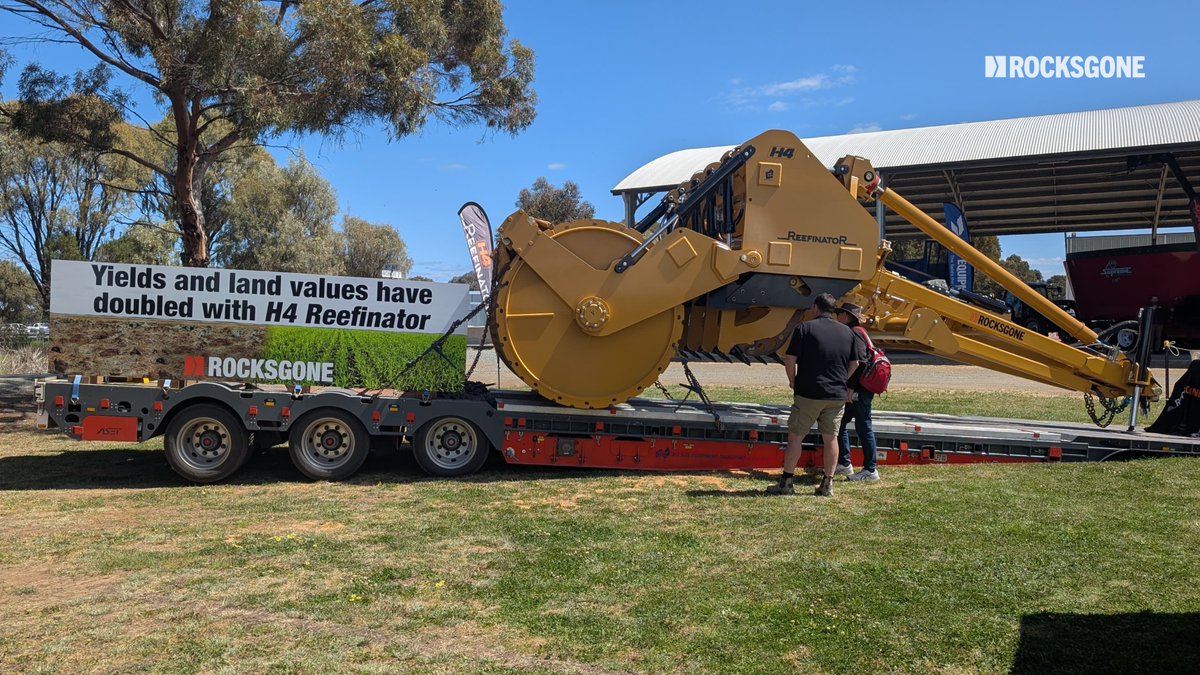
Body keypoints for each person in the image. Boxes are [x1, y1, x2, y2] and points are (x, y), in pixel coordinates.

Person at [767, 292, 860, 497]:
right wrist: (842, 380)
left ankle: (786, 482)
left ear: (816, 308)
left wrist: (793, 381)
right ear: (832, 310)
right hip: (836, 396)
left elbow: (790, 359)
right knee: (831, 438)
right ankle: (827, 484)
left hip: (809, 393)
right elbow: (855, 363)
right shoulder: (847, 332)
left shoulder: (804, 328)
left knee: (796, 437)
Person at [835, 302, 880, 482]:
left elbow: (860, 362)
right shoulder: (859, 331)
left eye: (839, 314)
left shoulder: (854, 333)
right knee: (840, 423)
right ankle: (844, 463)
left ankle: (870, 470)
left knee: (864, 428)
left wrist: (850, 387)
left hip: (859, 391)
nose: (837, 317)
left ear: (846, 317)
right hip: (860, 389)